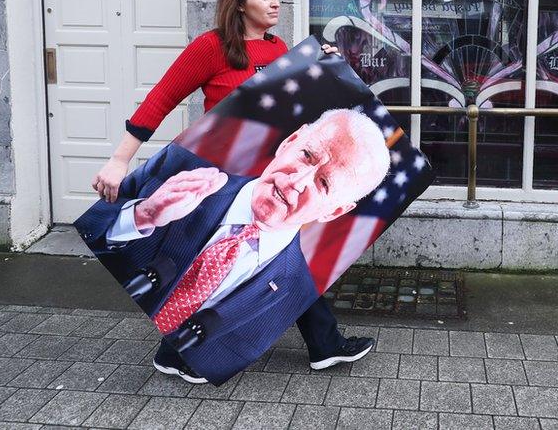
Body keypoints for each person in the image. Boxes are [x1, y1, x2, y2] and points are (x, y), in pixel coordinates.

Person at [89, 0, 375, 381]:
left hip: (276, 185)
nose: (275, 2)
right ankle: (176, 349)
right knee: (206, 259)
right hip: (215, 184)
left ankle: (324, 344)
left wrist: (326, 65)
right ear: (239, 3)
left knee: (280, 258)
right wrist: (120, 159)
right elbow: (162, 98)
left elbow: (309, 115)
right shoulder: (212, 47)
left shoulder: (280, 50)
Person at [78, 109, 390, 384]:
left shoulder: (297, 285)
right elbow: (93, 226)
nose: (296, 181)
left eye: (323, 183)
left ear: (334, 211)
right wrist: (142, 214)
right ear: (290, 141)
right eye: (307, 155)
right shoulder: (179, 168)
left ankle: (181, 353)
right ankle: (175, 351)